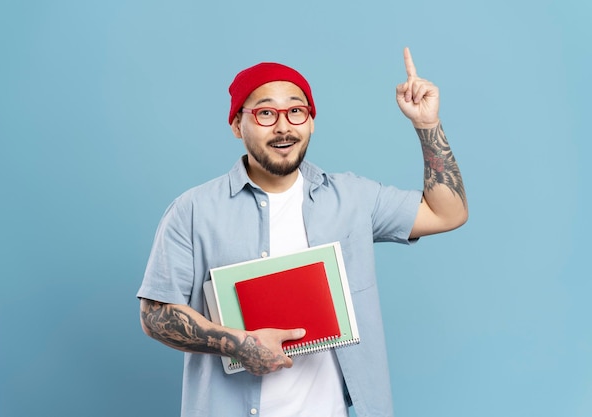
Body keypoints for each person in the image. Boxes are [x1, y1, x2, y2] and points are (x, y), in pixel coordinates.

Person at [137, 47, 468, 417]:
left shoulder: (353, 198)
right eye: (265, 113)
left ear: (310, 121)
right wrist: (237, 344)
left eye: (296, 111)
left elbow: (446, 213)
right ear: (236, 125)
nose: (283, 126)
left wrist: (427, 125)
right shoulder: (192, 211)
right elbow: (155, 314)